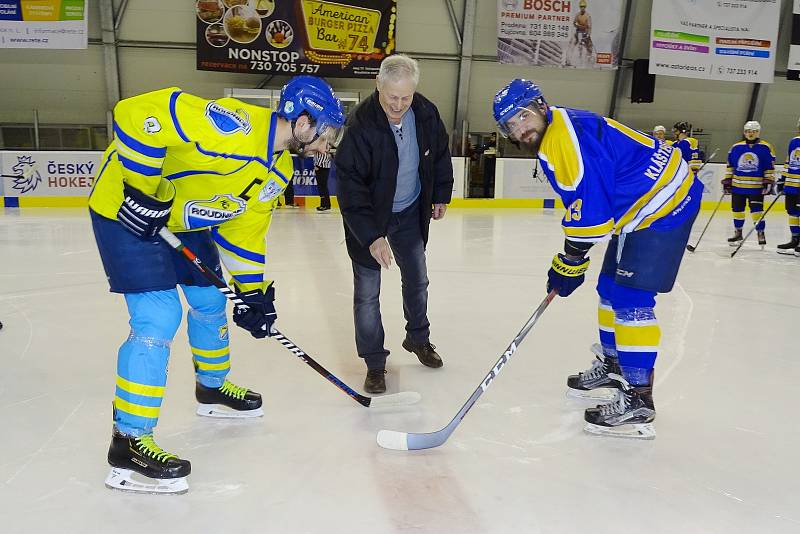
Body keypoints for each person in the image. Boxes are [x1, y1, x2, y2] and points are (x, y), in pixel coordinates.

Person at [88, 76, 344, 494]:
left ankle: (211, 387)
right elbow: (137, 115)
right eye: (326, 132)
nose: (327, 145)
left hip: (177, 219)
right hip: (125, 210)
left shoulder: (277, 169)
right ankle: (128, 441)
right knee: (158, 315)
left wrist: (252, 294)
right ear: (302, 122)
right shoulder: (232, 126)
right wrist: (141, 189)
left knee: (211, 298)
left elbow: (243, 233)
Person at [493, 79, 702, 439]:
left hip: (664, 204)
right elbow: (592, 203)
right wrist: (571, 261)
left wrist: (570, 261)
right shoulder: (556, 127)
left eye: (523, 116)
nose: (520, 129)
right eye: (511, 125)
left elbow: (591, 216)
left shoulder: (563, 142)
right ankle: (614, 363)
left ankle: (639, 397)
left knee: (631, 298)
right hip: (640, 202)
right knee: (609, 286)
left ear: (541, 105)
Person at [335, 54, 454, 394]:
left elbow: (440, 153)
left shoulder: (426, 112)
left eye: (406, 97)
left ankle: (418, 338)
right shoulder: (360, 125)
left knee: (417, 279)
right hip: (369, 217)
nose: (399, 105)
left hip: (409, 212)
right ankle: (374, 363)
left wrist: (440, 193)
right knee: (367, 296)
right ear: (379, 87)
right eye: (392, 98)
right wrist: (372, 235)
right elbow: (349, 186)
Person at [723, 121, 775, 248]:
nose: (750, 134)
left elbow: (769, 167)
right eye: (748, 131)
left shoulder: (766, 147)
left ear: (758, 132)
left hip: (756, 188)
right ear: (744, 132)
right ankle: (738, 233)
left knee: (757, 212)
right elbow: (730, 165)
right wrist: (728, 180)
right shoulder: (736, 147)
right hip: (738, 187)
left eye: (753, 131)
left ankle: (760, 232)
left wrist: (768, 181)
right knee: (737, 211)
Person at [776, 117, 800, 254]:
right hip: (791, 184)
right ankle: (795, 239)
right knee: (792, 212)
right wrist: (782, 179)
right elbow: (788, 162)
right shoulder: (794, 141)